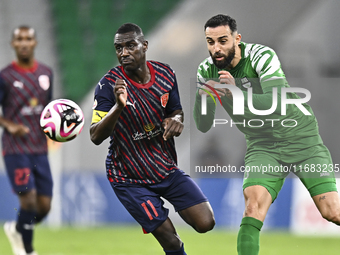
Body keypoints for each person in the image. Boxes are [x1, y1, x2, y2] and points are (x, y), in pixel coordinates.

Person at [193, 14, 340, 255]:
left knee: (332, 212)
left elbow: (277, 100)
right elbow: (203, 124)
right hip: (263, 146)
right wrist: (204, 95)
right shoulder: (206, 70)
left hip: (301, 138)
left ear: (237, 39)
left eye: (222, 41)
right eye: (210, 42)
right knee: (252, 209)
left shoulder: (261, 56)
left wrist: (236, 91)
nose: (216, 48)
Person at [90, 23, 215, 255]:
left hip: (164, 167)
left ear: (144, 45)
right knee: (171, 242)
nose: (124, 53)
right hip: (129, 177)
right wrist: (118, 106)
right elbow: (95, 135)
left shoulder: (166, 74)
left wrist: (176, 119)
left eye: (130, 46)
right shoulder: (108, 85)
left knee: (206, 222)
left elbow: (175, 110)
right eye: (119, 48)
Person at [0, 25, 53, 255]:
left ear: (35, 43)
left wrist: (62, 129)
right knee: (28, 201)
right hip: (15, 148)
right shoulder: (5, 77)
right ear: (12, 44)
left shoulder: (46, 73)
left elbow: (49, 111)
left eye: (28, 39)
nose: (23, 43)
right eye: (19, 39)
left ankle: (16, 228)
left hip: (39, 147)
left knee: (44, 206)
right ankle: (28, 250)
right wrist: (9, 124)